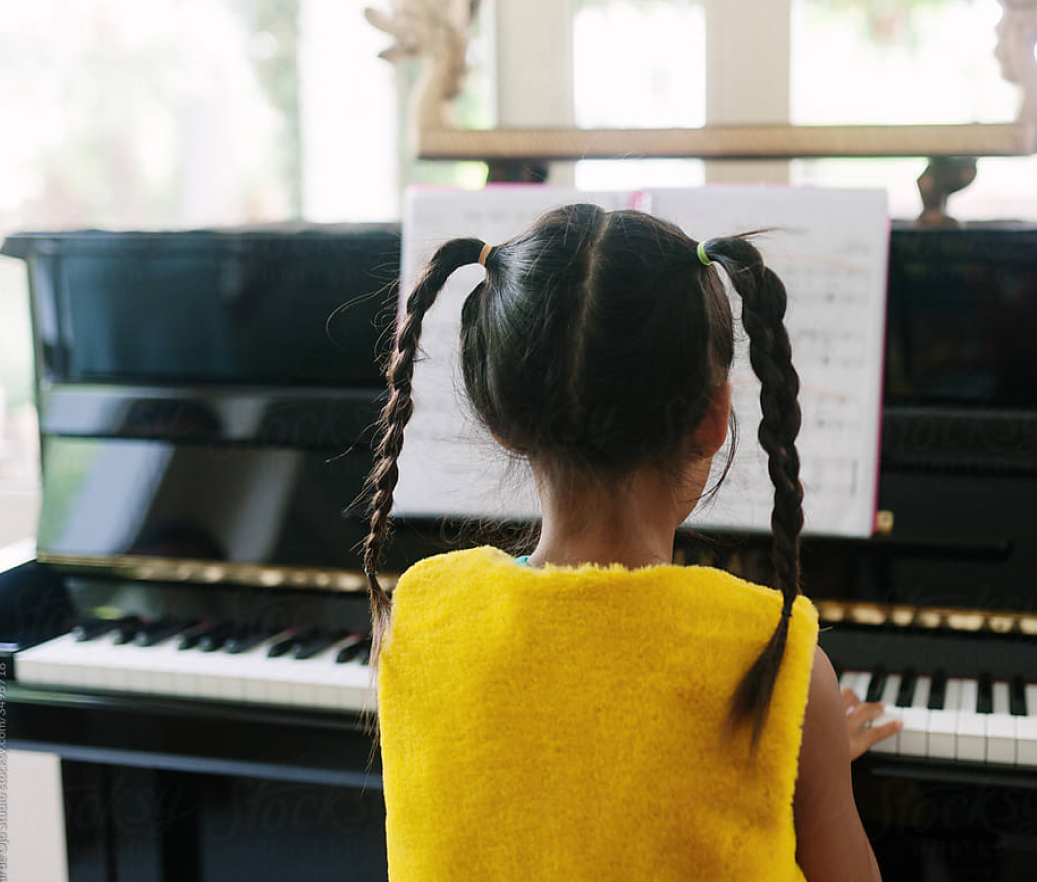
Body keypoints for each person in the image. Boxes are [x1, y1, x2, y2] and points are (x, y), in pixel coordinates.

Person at [359, 203, 900, 881]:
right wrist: (802, 758)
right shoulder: (775, 659)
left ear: (501, 419)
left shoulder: (420, 613)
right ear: (714, 418)